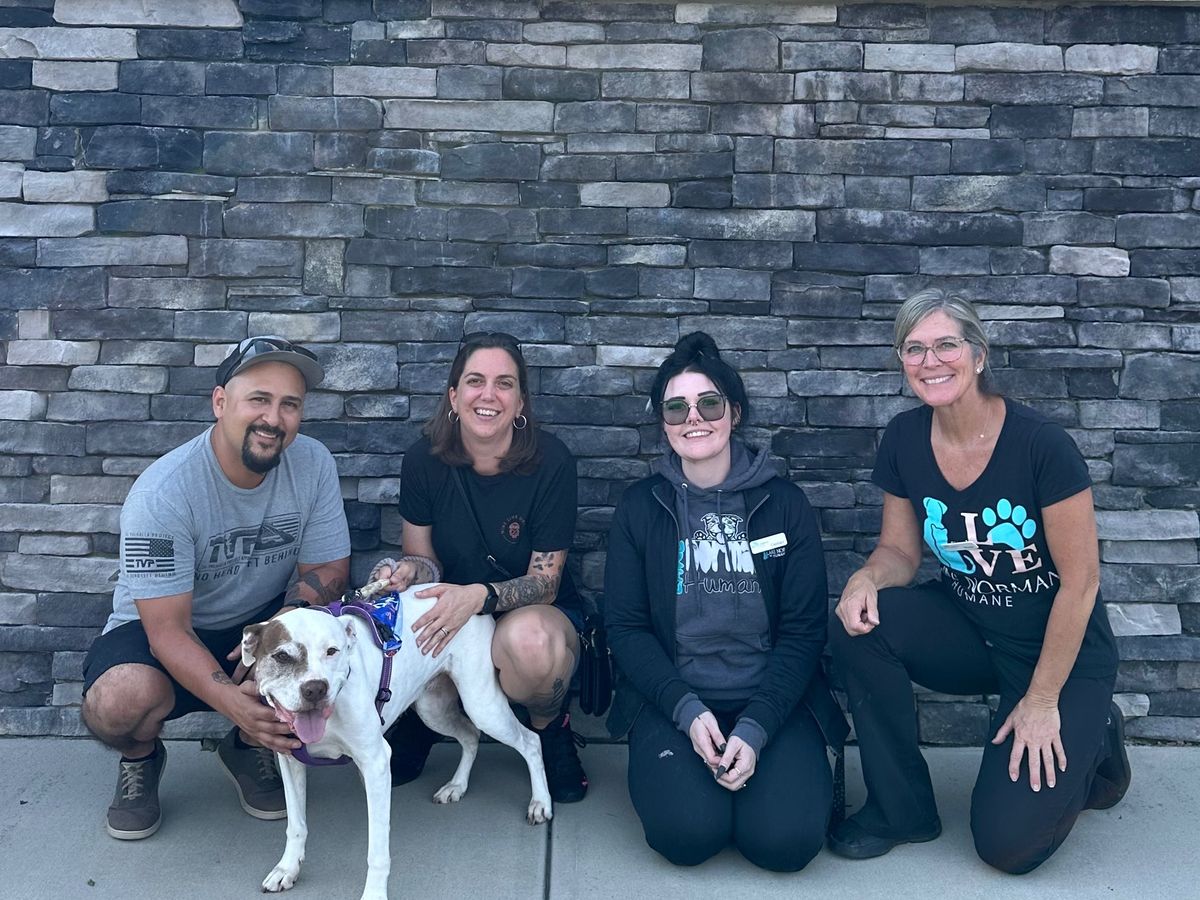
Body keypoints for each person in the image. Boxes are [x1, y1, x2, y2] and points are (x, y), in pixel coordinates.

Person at [829, 290, 1131, 873]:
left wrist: (1042, 701)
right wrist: (865, 578)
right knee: (860, 626)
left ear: (978, 354)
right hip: (973, 629)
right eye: (914, 348)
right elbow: (900, 551)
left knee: (1008, 846)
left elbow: (1081, 583)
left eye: (946, 344)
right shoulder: (905, 438)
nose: (930, 361)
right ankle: (901, 810)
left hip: (1059, 655)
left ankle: (1095, 741)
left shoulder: (1041, 446)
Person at [81, 336, 351, 840]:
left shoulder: (313, 463)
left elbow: (329, 569)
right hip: (166, 628)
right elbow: (167, 629)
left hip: (261, 620)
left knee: (320, 651)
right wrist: (234, 702)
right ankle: (140, 757)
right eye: (259, 399)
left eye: (289, 404)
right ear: (220, 402)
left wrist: (280, 633)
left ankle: (249, 748)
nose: (273, 418)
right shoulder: (163, 493)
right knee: (117, 703)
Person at [603, 332, 848, 871]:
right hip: (676, 702)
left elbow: (804, 631)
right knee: (688, 836)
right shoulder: (641, 508)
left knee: (784, 845)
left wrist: (757, 726)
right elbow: (625, 628)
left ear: (734, 413)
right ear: (664, 422)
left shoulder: (784, 505)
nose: (694, 418)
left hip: (775, 701)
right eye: (676, 407)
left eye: (709, 403)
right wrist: (686, 711)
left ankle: (785, 774)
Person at [369, 331, 588, 803]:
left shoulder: (551, 461)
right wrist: (404, 573)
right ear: (454, 396)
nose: (488, 395)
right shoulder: (423, 460)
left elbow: (546, 582)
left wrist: (479, 597)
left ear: (520, 401)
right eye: (475, 381)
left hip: (528, 613)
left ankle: (549, 727)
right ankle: (428, 715)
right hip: (454, 613)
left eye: (504, 383)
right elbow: (423, 562)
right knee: (411, 612)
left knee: (530, 644)